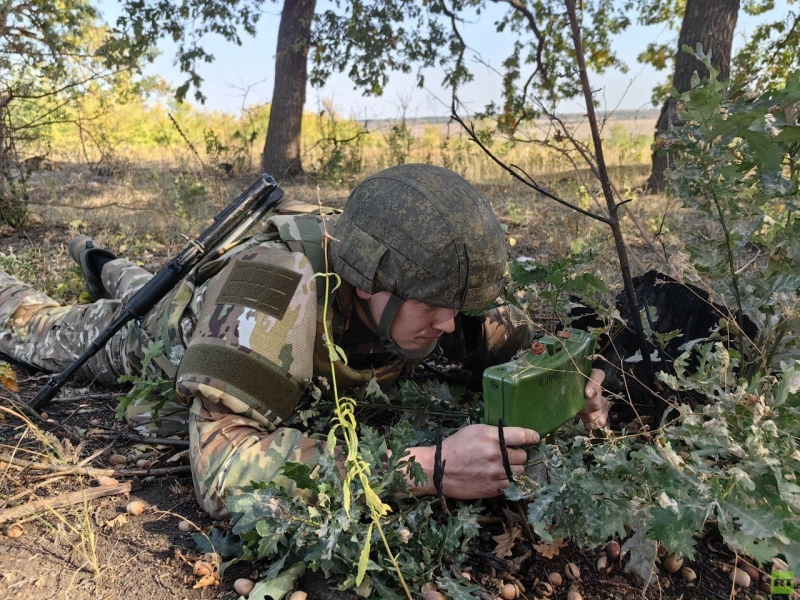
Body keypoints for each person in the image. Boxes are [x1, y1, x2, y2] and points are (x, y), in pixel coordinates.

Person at [0, 164, 609, 518]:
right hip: (171, 332)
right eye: (432, 307)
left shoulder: (446, 294)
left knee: (127, 272)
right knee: (37, 326)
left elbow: (530, 349)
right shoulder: (275, 290)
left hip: (241, 300)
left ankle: (97, 254)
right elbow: (224, 469)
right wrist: (425, 467)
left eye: (461, 308)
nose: (451, 325)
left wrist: (572, 394)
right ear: (370, 279)